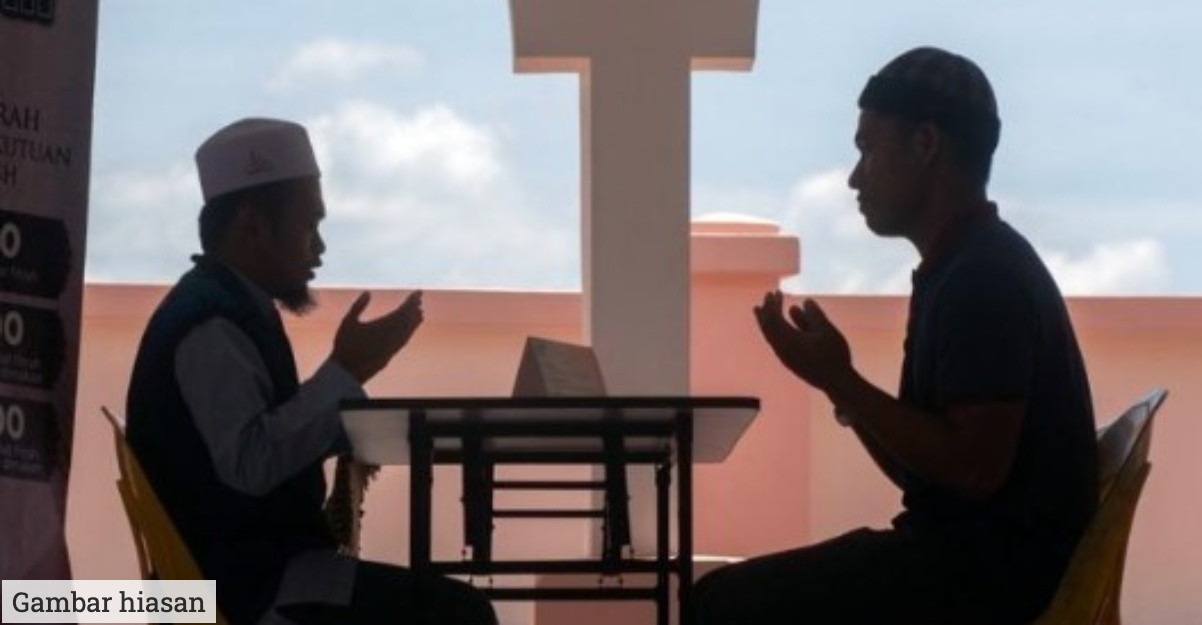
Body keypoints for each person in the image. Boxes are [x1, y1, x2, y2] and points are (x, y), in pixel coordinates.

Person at [694, 47, 1099, 625]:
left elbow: (972, 469)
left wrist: (841, 380)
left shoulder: (984, 278)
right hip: (965, 566)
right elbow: (929, 474)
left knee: (722, 605)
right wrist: (838, 384)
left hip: (980, 581)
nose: (855, 177)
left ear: (925, 143)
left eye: (867, 148)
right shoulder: (964, 266)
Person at [125, 117, 498, 625]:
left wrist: (350, 383)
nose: (318, 248)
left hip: (258, 574)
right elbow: (250, 465)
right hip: (248, 589)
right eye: (309, 227)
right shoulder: (211, 326)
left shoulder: (233, 308)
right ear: (252, 226)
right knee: (460, 614)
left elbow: (264, 439)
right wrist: (347, 368)